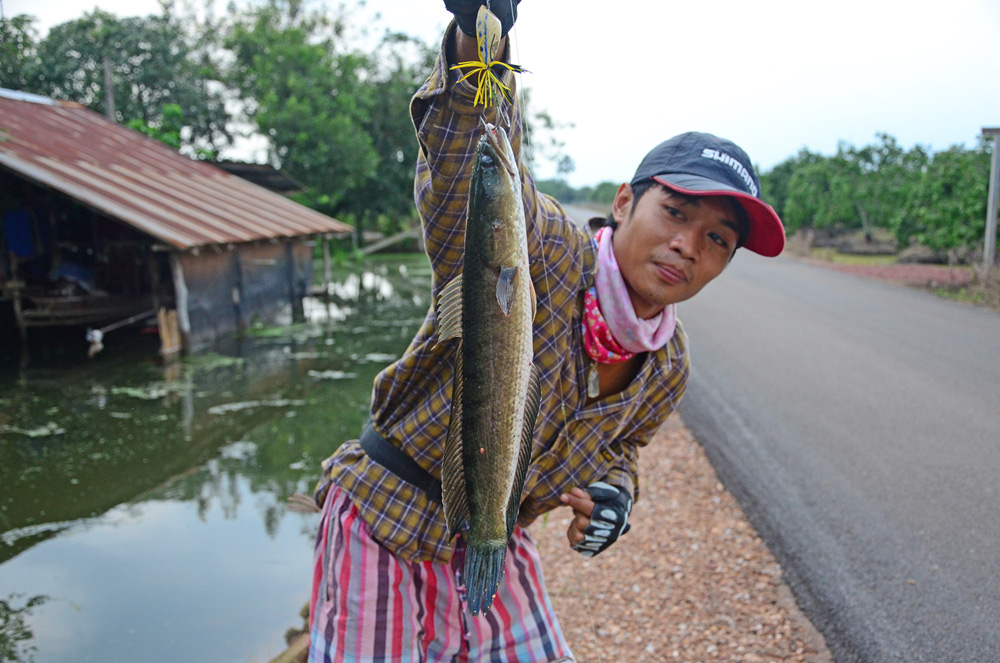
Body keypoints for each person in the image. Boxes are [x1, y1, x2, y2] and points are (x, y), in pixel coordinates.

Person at [306, 2, 785, 661]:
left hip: (495, 533)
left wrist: (616, 493)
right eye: (673, 211)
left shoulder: (668, 366)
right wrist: (480, 40)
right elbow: (461, 164)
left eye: (717, 239)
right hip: (387, 510)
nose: (685, 245)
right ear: (623, 203)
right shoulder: (542, 248)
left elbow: (622, 447)